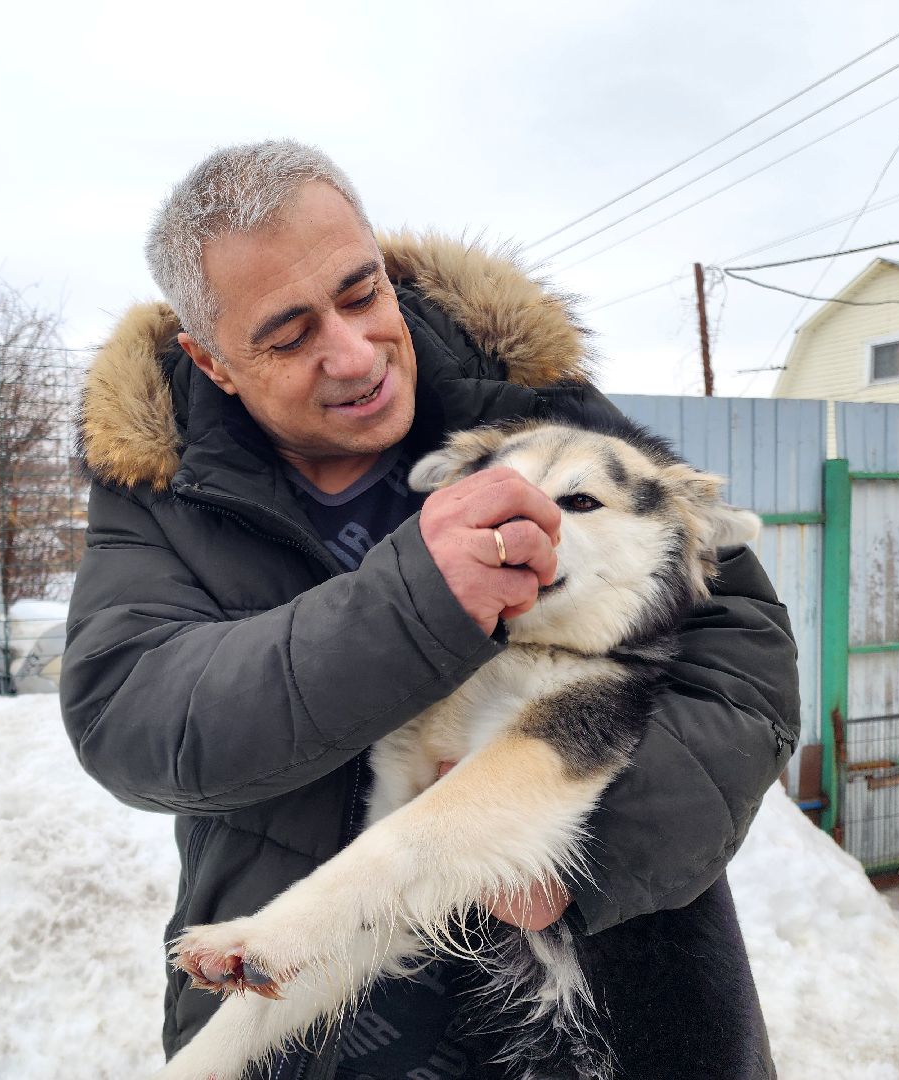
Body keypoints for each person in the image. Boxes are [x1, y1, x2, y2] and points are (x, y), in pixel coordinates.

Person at [61, 139, 798, 1080]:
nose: (352, 352)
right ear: (213, 361)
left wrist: (581, 848)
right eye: (288, 336)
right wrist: (417, 601)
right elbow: (135, 720)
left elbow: (748, 661)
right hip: (316, 1020)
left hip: (616, 1002)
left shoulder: (531, 400)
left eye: (362, 293)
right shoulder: (160, 492)